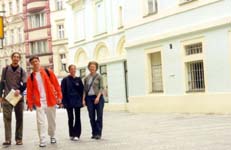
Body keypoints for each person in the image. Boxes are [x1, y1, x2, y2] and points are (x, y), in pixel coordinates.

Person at [26, 56, 62, 147]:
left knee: (51, 120)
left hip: (50, 100)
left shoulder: (48, 72)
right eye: (33, 62)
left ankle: (52, 135)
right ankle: (42, 140)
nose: (35, 63)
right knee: (40, 122)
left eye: (36, 61)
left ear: (39, 62)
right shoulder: (30, 77)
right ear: (31, 64)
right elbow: (29, 91)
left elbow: (56, 85)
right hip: (39, 102)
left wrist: (59, 96)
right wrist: (30, 104)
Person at [0, 52, 27, 146]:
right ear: (11, 58)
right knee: (7, 119)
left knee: (19, 118)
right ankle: (8, 139)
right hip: (7, 96)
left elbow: (25, 84)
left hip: (18, 98)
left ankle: (19, 139)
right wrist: (0, 96)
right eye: (14, 57)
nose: (16, 58)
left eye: (17, 57)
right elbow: (2, 83)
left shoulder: (22, 70)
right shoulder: (5, 69)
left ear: (19, 59)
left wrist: (19, 90)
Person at [82, 61, 105, 140]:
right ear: (89, 68)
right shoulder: (86, 78)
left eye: (93, 67)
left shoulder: (99, 77)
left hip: (98, 98)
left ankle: (98, 133)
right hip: (89, 98)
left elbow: (101, 88)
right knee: (91, 116)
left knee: (99, 116)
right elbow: (84, 90)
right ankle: (94, 133)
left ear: (96, 68)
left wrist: (98, 97)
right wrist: (83, 100)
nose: (92, 68)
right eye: (91, 66)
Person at [61, 64, 84, 141]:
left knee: (77, 117)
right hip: (68, 101)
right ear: (69, 70)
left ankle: (77, 134)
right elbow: (62, 91)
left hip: (77, 100)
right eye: (71, 69)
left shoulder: (78, 79)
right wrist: (62, 101)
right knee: (70, 118)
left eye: (74, 69)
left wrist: (83, 100)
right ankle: (71, 133)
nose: (73, 70)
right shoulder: (65, 80)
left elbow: (82, 90)